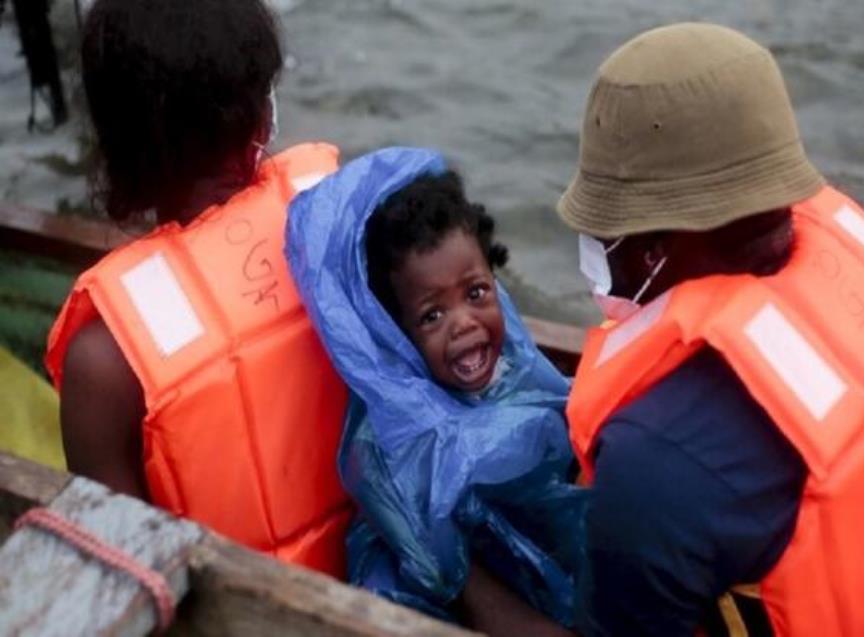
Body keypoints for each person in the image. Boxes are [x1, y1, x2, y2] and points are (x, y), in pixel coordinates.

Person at [557, 23, 864, 636]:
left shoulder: (655, 458)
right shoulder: (861, 305)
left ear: (651, 251)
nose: (592, 249)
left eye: (600, 232)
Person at [45, 0, 351, 576]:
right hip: (389, 596)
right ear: (261, 113)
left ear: (113, 145)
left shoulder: (104, 362)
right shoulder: (342, 225)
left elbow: (122, 572)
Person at [285, 147, 587, 635]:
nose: (464, 323)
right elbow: (464, 591)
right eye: (432, 315)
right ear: (394, 334)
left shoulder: (511, 363)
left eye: (475, 293)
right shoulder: (381, 456)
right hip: (435, 596)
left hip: (513, 554)